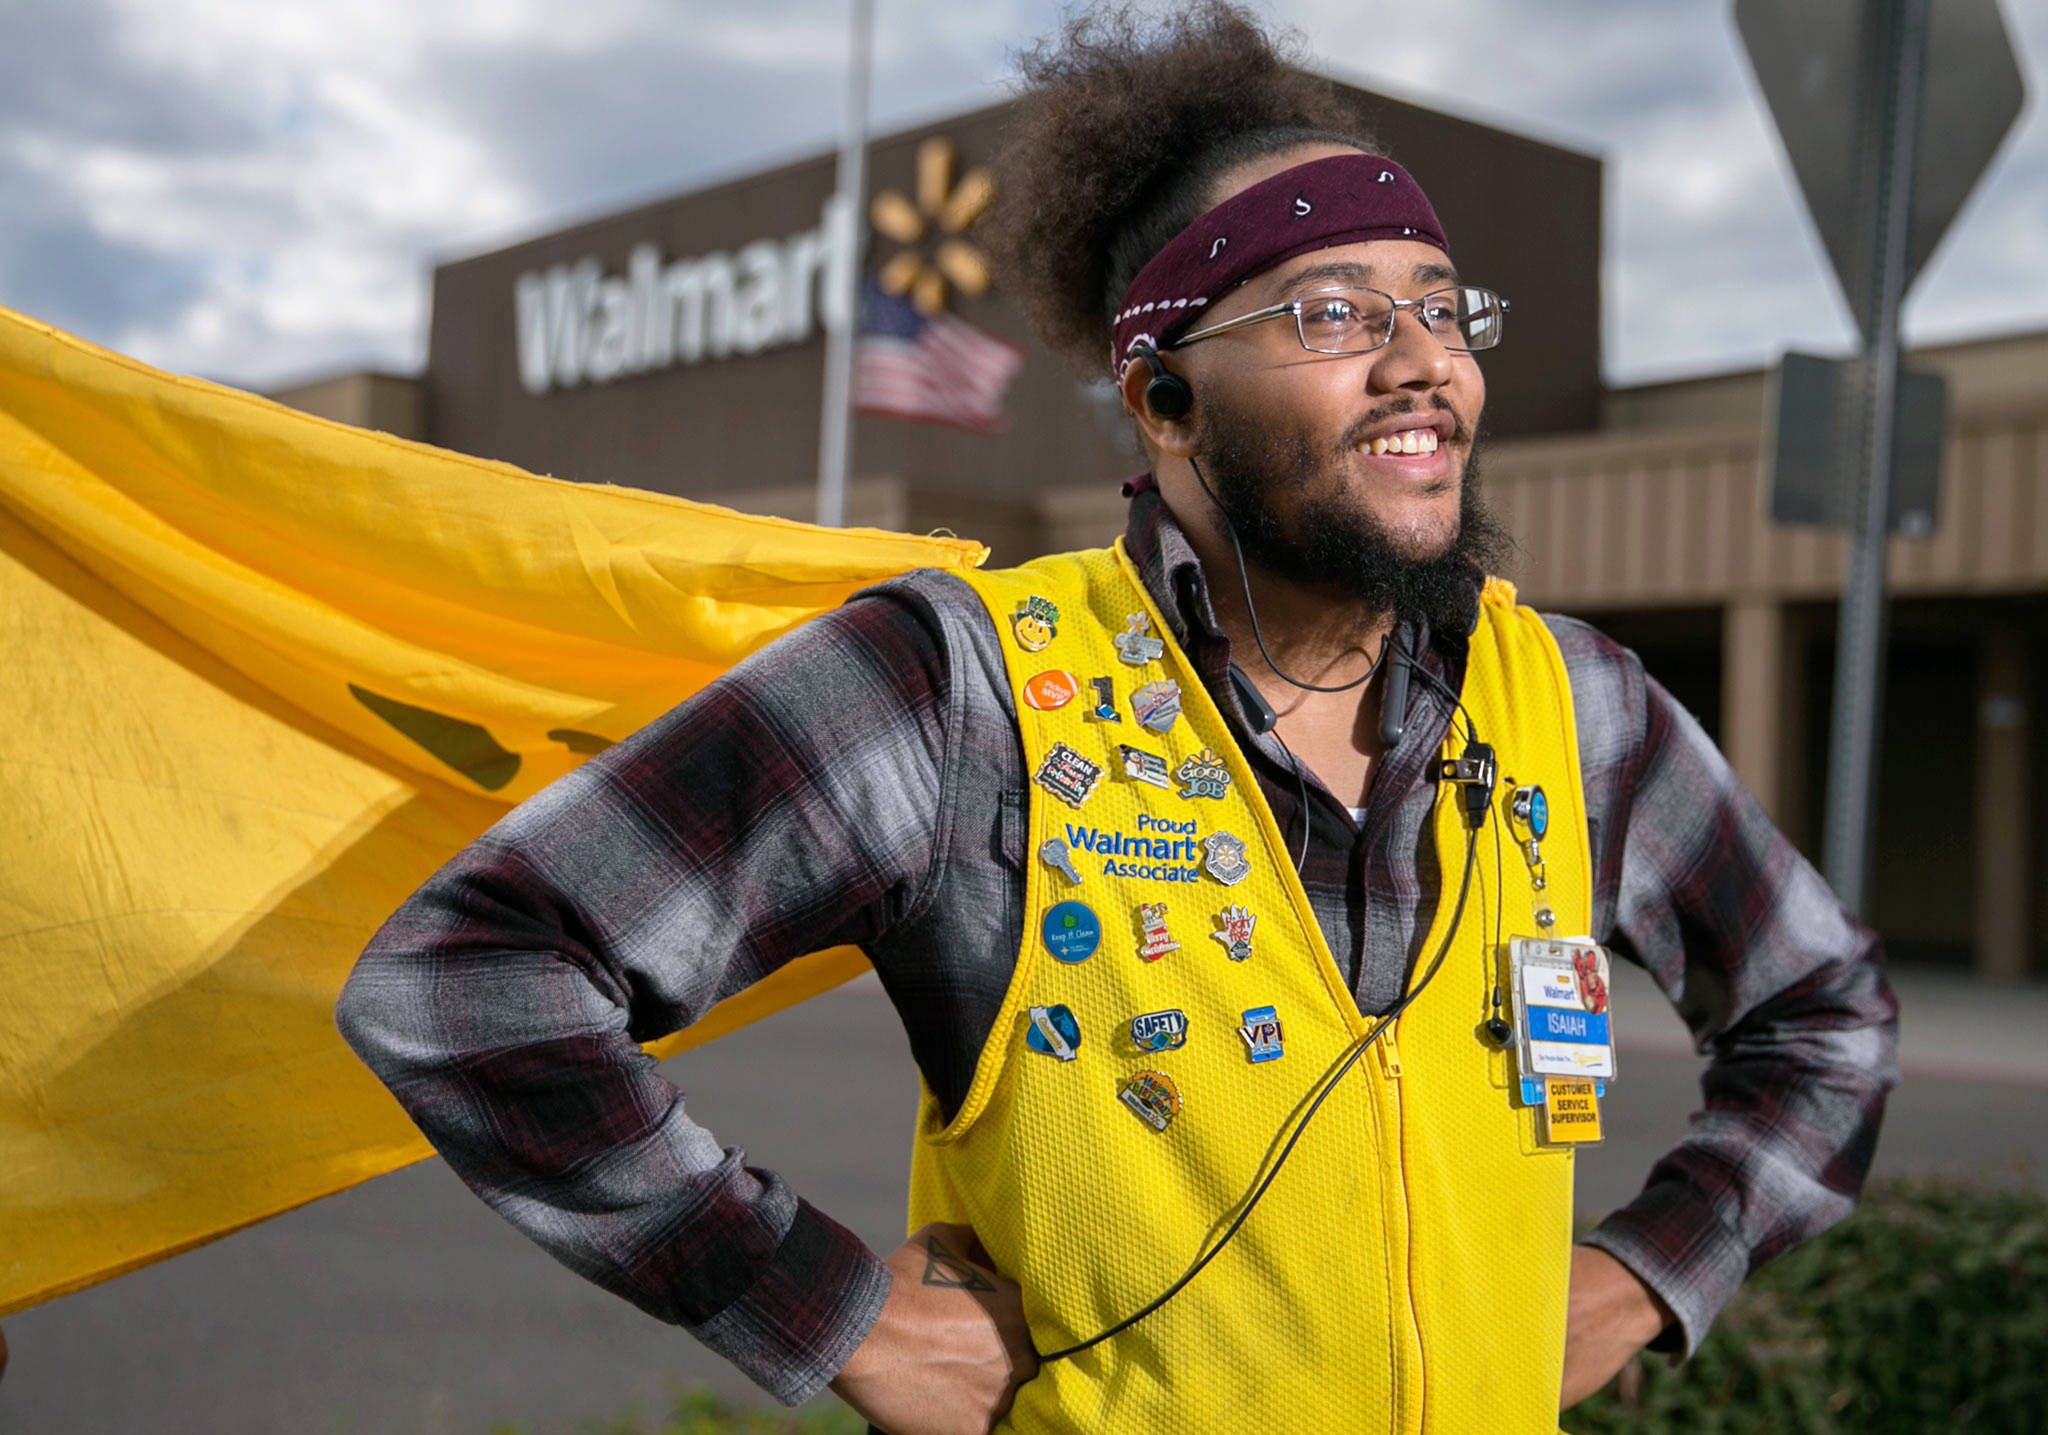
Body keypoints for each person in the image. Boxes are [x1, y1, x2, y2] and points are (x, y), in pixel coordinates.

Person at [337, 6, 1897, 1432]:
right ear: (1163, 402)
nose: (1428, 366)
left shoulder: (1573, 704)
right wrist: (829, 1315)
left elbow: (1824, 1020)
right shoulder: (963, 694)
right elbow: (469, 977)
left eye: (1440, 307)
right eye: (1334, 314)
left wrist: (1643, 1278)